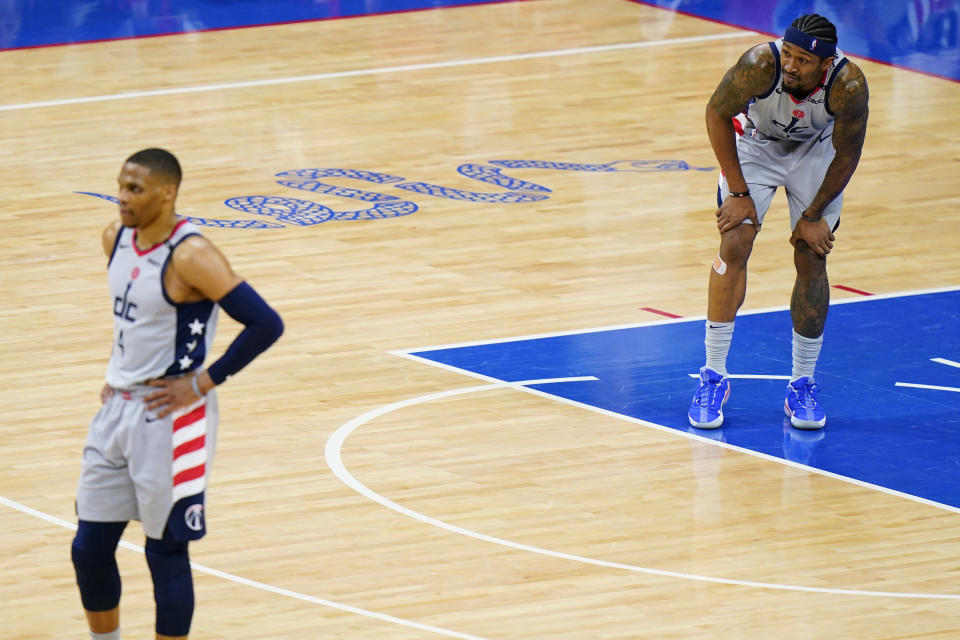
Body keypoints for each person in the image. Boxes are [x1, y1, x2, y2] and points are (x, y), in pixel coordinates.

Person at [71, 148, 284, 640]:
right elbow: (138, 321)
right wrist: (120, 366)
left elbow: (265, 323)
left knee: (164, 551)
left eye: (135, 189)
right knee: (89, 548)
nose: (121, 197)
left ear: (168, 193)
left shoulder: (192, 255)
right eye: (121, 186)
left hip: (171, 419)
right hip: (116, 410)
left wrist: (204, 381)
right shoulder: (114, 238)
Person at [687, 14, 869, 430]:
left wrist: (811, 216)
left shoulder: (848, 85)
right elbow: (716, 114)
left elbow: (847, 152)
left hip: (816, 154)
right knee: (735, 241)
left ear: (825, 64)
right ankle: (713, 375)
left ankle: (802, 383)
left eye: (803, 60)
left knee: (812, 255)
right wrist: (737, 193)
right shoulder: (759, 65)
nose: (790, 65)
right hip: (755, 145)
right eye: (788, 53)